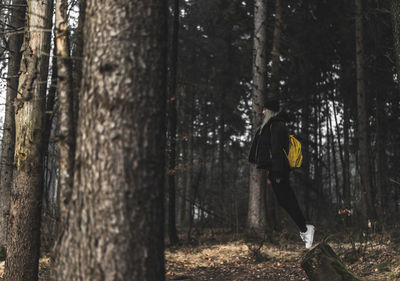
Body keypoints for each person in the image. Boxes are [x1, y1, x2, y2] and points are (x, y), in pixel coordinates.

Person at [248, 98, 315, 249]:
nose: (262, 111)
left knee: (287, 199)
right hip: (275, 170)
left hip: (280, 170)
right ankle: (304, 228)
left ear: (270, 111)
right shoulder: (271, 125)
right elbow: (270, 151)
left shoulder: (277, 126)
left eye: (265, 109)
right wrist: (270, 173)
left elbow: (277, 150)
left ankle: (305, 229)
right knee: (284, 200)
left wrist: (277, 173)